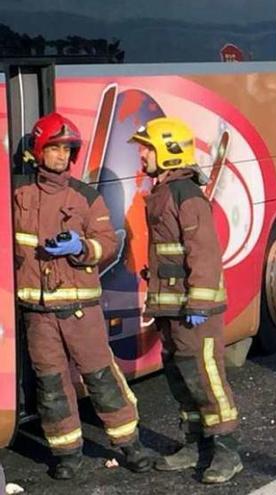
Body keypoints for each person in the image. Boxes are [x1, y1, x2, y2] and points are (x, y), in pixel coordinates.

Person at [13, 112, 152, 479]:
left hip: (80, 311)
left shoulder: (86, 196)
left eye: (66, 150)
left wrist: (80, 247)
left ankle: (130, 445)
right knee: (51, 386)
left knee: (101, 376)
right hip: (38, 313)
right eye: (54, 149)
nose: (61, 156)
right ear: (39, 151)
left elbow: (107, 244)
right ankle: (68, 454)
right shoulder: (18, 194)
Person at [129, 117, 242, 484]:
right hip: (170, 307)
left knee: (206, 377)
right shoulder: (162, 192)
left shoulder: (187, 196)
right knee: (182, 378)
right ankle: (196, 444)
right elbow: (171, 254)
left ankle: (226, 451)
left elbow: (204, 255)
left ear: (167, 151)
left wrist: (199, 304)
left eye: (146, 147)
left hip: (194, 311)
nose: (142, 154)